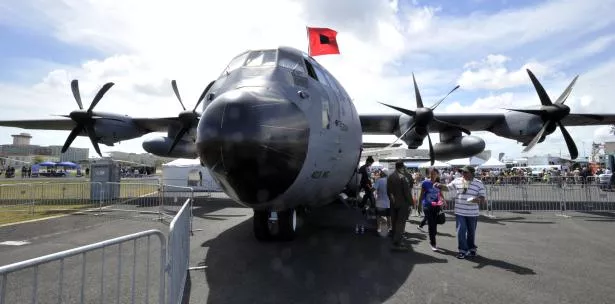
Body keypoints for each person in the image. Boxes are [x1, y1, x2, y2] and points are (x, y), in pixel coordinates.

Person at [435, 165, 486, 259]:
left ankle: (471, 249)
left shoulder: (479, 183)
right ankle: (462, 250)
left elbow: (482, 198)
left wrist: (476, 199)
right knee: (461, 231)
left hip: (472, 213)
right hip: (460, 211)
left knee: (471, 232)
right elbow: (447, 188)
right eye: (462, 172)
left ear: (472, 173)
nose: (463, 173)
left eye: (465, 172)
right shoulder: (457, 180)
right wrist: (439, 186)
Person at [387, 161, 414, 250]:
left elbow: (389, 192)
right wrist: (411, 203)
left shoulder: (390, 177)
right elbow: (407, 192)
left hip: (393, 203)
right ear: (402, 167)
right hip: (403, 204)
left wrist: (392, 200)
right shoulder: (403, 177)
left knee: (394, 222)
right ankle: (398, 242)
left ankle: (394, 239)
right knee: (401, 223)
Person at [418, 168, 444, 251]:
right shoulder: (425, 183)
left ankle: (433, 239)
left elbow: (440, 195)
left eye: (434, 174)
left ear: (437, 175)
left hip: (436, 207)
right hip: (427, 206)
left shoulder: (439, 184)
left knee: (434, 226)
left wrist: (442, 201)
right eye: (431, 174)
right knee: (431, 224)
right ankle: (433, 243)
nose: (433, 175)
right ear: (429, 174)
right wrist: (419, 205)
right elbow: (421, 195)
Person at [373, 169, 391, 236]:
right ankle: (389, 228)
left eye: (381, 172)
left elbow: (373, 189)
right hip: (388, 203)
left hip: (379, 202)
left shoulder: (379, 180)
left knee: (378, 216)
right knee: (388, 216)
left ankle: (379, 228)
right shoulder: (389, 181)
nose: (380, 173)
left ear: (383, 173)